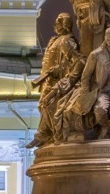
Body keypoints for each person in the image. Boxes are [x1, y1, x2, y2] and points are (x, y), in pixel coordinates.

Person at [30, 14, 84, 147]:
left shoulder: (66, 40)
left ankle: (49, 136)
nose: (54, 25)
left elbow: (79, 61)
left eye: (57, 23)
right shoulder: (56, 40)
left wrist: (69, 79)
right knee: (43, 106)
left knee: (49, 106)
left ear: (64, 24)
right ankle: (46, 136)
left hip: (58, 82)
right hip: (48, 82)